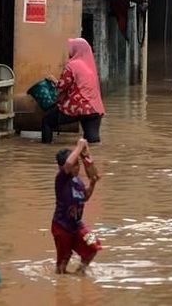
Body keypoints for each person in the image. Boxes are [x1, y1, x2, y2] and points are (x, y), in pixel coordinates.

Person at [52, 138, 102, 275]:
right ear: (61, 168)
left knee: (94, 245)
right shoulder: (61, 179)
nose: (76, 167)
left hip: (77, 224)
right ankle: (62, 284)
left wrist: (92, 184)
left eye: (77, 165)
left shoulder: (78, 182)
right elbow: (68, 164)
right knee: (63, 261)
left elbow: (85, 197)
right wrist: (80, 146)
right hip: (61, 227)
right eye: (74, 165)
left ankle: (80, 272)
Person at [43, 38, 105, 144]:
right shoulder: (90, 66)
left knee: (47, 121)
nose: (68, 51)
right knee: (92, 140)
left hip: (77, 107)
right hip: (95, 110)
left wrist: (53, 81)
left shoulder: (72, 65)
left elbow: (62, 86)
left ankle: (45, 148)